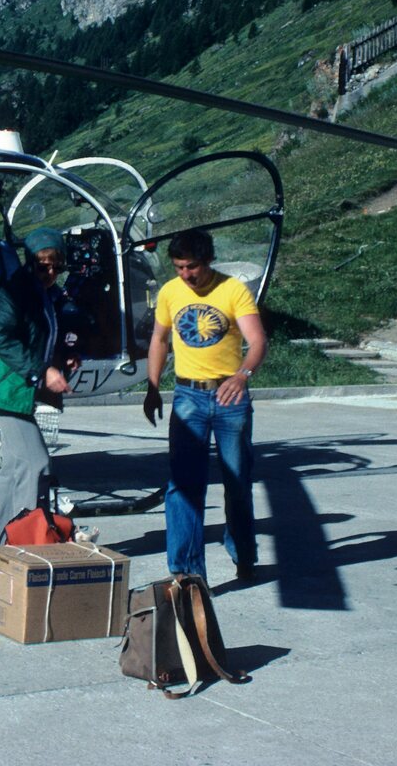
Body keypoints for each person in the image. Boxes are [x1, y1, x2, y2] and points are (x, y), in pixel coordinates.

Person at [144, 228, 267, 581]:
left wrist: (242, 376)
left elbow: (258, 341)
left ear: (209, 260)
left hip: (231, 398)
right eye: (179, 267)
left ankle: (243, 554)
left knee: (237, 481)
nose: (186, 274)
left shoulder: (233, 290)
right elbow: (159, 339)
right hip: (188, 398)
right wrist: (152, 388)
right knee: (184, 485)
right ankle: (187, 571)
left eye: (192, 267)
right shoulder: (170, 292)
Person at [0, 227, 75, 555]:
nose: (50, 273)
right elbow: (2, 339)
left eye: (57, 266)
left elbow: (43, 336)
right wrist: (42, 370)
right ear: (30, 262)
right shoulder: (16, 290)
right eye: (43, 266)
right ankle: (28, 543)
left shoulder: (46, 292)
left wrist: (62, 358)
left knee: (14, 469)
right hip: (6, 387)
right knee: (35, 463)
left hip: (18, 389)